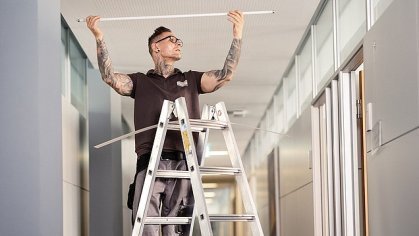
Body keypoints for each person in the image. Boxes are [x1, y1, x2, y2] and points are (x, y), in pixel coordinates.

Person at [86, 10, 244, 235]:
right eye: (172, 40)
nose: (178, 43)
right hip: (149, 162)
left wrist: (237, 35)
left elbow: (225, 75)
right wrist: (99, 37)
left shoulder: (190, 80)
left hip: (183, 162)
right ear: (156, 47)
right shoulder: (140, 82)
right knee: (146, 229)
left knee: (175, 229)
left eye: (179, 41)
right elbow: (110, 77)